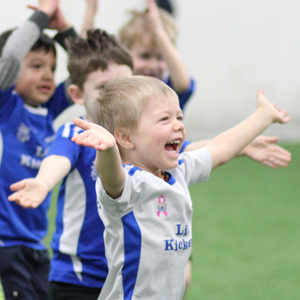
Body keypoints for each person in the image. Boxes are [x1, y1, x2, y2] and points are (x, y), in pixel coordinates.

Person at [69, 76, 289, 300]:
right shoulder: (129, 184)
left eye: (179, 117)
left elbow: (220, 148)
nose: (178, 125)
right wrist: (107, 151)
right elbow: (110, 176)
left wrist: (263, 116)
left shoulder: (178, 171)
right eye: (165, 119)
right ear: (125, 137)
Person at [8, 29, 133, 300]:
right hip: (76, 278)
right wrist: (42, 183)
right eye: (103, 88)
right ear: (76, 94)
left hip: (125, 276)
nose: (115, 96)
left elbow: (194, 151)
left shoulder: (138, 138)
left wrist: (245, 142)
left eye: (124, 86)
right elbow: (59, 159)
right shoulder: (73, 132)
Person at [0, 0, 77, 299]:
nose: (48, 75)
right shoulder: (7, 106)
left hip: (36, 242)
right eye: (36, 66)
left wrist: (65, 29)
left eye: (53, 68)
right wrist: (42, 14)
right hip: (7, 243)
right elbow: (9, 57)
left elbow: (93, 75)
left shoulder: (48, 110)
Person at [118, 0, 194, 111]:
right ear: (125, 54)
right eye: (145, 56)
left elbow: (183, 85)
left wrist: (159, 32)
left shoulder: (169, 91)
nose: (153, 65)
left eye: (160, 57)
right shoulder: (118, 91)